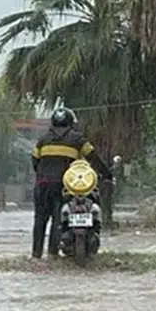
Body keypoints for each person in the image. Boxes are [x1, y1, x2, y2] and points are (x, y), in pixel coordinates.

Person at [30, 107, 112, 259]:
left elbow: (35, 162)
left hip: (42, 185)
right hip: (64, 185)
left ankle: (36, 255)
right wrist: (107, 174)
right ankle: (52, 255)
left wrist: (43, 175)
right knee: (58, 220)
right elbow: (93, 157)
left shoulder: (42, 140)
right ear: (71, 123)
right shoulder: (77, 139)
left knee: (40, 219)